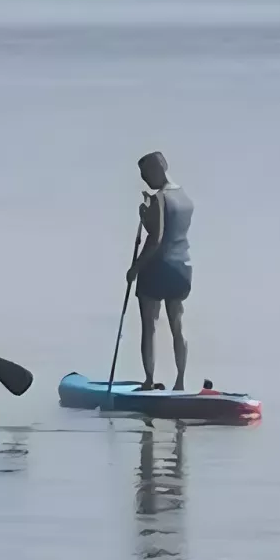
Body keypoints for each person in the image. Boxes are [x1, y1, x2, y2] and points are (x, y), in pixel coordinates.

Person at [125, 151, 193, 392]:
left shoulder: (159, 199)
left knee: (149, 325)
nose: (145, 181)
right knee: (177, 324)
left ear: (157, 169)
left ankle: (149, 380)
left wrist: (135, 268)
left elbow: (156, 238)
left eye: (146, 175)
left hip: (157, 268)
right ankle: (180, 380)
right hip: (182, 268)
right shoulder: (184, 196)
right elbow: (174, 231)